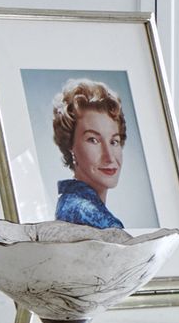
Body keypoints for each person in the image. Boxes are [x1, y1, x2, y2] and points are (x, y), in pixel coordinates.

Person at [51, 79, 128, 229]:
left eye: (114, 141)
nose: (109, 157)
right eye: (93, 140)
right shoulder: (94, 219)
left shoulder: (68, 202)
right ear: (70, 146)